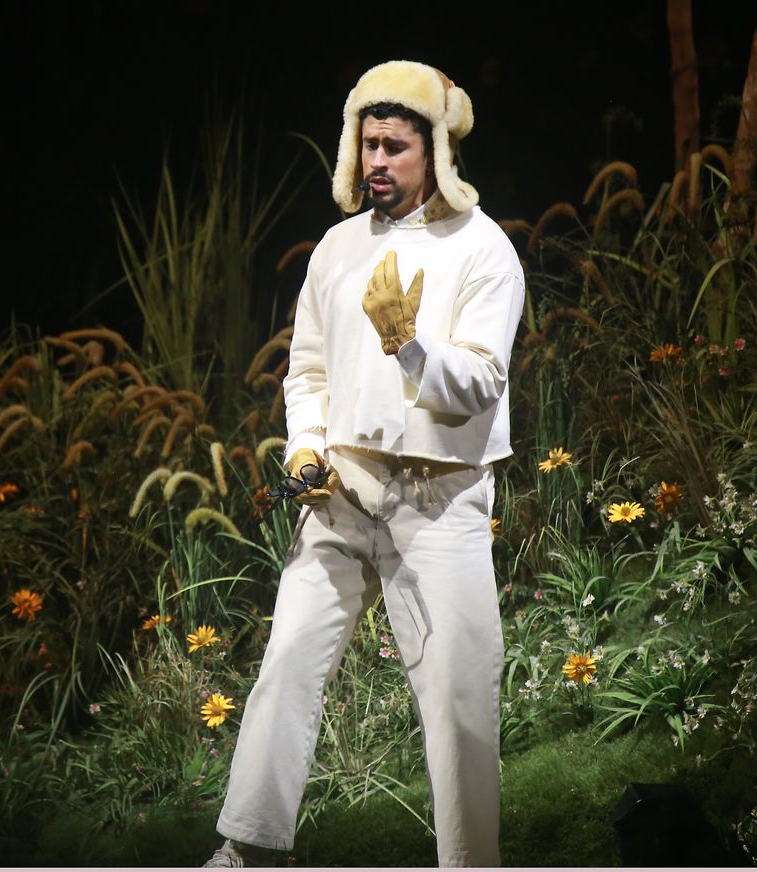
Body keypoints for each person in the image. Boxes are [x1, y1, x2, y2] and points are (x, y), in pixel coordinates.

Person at [203, 59, 524, 868]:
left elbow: (481, 381)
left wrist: (407, 343)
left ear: (436, 152)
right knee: (286, 668)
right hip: (341, 493)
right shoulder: (338, 250)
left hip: (438, 501)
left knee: (458, 699)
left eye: (394, 145)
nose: (377, 160)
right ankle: (245, 851)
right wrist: (305, 443)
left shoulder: (484, 250)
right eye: (367, 143)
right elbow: (306, 368)